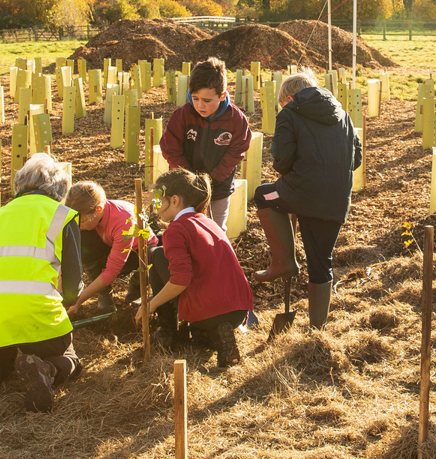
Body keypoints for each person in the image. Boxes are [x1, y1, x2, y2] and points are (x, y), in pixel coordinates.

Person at [0, 153, 83, 413]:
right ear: (61, 187)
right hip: (35, 312)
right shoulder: (62, 216)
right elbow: (72, 288)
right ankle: (46, 369)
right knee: (70, 358)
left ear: (20, 183)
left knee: (1, 361)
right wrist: (69, 302)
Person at [251, 69, 362, 329]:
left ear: (289, 98)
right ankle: (317, 329)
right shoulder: (343, 116)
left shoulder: (289, 113)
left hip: (299, 193)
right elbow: (355, 159)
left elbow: (282, 160)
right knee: (321, 260)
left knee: (263, 195)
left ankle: (283, 262)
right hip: (335, 200)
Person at [135, 168, 253, 368]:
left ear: (174, 201)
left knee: (157, 255)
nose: (155, 208)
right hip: (238, 309)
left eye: (158, 201)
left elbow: (181, 278)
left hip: (209, 310)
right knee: (198, 336)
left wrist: (151, 304)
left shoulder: (176, 229)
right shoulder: (209, 222)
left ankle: (169, 332)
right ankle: (213, 335)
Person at [160, 57, 252, 232]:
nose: (200, 105)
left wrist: (213, 178)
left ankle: (214, 258)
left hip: (219, 186)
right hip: (184, 187)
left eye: (207, 101)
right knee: (183, 228)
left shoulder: (236, 120)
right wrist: (188, 178)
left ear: (222, 95)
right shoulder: (183, 115)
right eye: (195, 98)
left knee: (216, 229)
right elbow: (170, 147)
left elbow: (236, 152)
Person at [63, 181, 141, 315]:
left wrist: (78, 300)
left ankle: (137, 285)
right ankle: (104, 292)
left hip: (135, 252)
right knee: (83, 241)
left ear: (98, 209)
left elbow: (111, 271)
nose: (79, 226)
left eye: (82, 222)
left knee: (151, 255)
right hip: (108, 244)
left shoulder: (123, 222)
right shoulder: (90, 216)